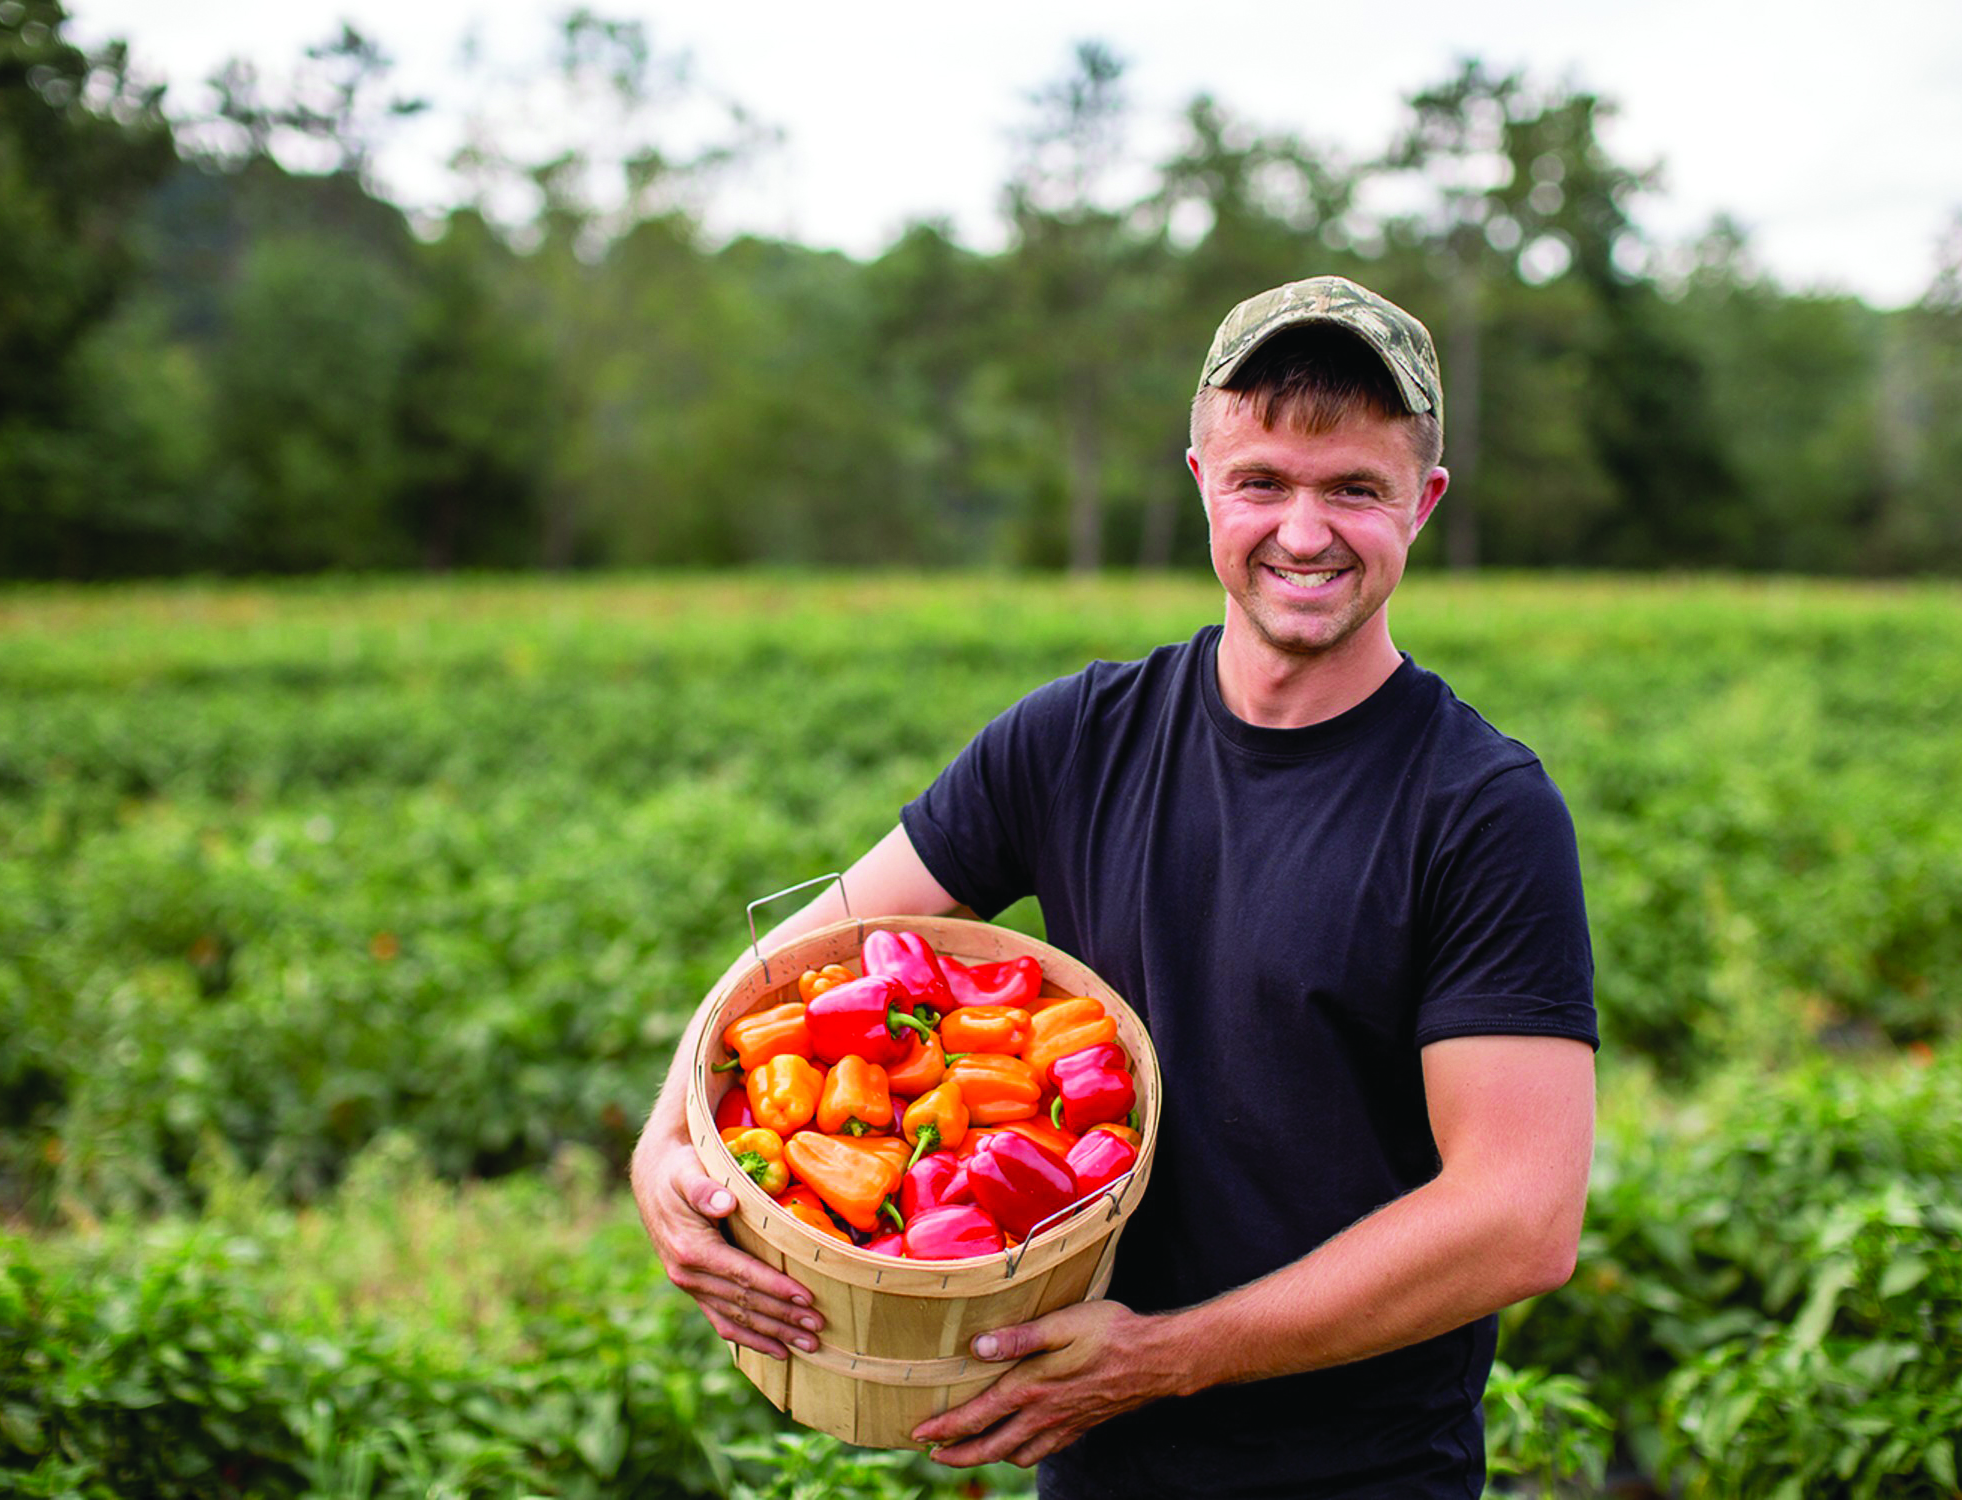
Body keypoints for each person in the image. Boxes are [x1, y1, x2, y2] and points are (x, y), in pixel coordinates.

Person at [631, 275, 1599, 1498]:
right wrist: (664, 1147)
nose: (1304, 530)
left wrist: (1165, 1358)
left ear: (1426, 503)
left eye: (1354, 488)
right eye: (1263, 482)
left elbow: (1519, 1218)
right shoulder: (1077, 737)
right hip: (1090, 1462)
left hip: (1360, 1473)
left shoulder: (1479, 810)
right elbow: (798, 963)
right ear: (1202, 484)